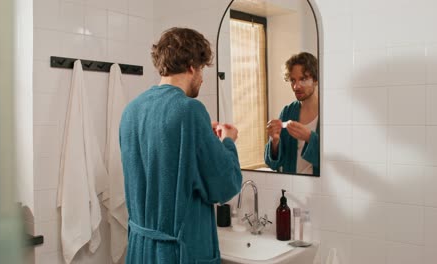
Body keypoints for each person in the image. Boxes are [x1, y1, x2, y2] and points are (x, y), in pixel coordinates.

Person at [119, 27, 243, 264]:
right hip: (178, 253)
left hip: (139, 249)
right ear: (191, 66)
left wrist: (202, 136)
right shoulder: (190, 110)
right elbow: (224, 185)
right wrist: (228, 141)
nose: (202, 78)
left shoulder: (131, 110)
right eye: (202, 69)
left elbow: (163, 159)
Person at [264, 52, 320, 175]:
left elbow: (337, 161)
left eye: (303, 79)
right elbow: (273, 164)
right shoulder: (288, 112)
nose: (296, 86)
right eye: (293, 80)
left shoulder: (329, 113)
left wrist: (310, 138)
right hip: (292, 187)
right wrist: (274, 141)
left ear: (315, 79)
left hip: (322, 189)